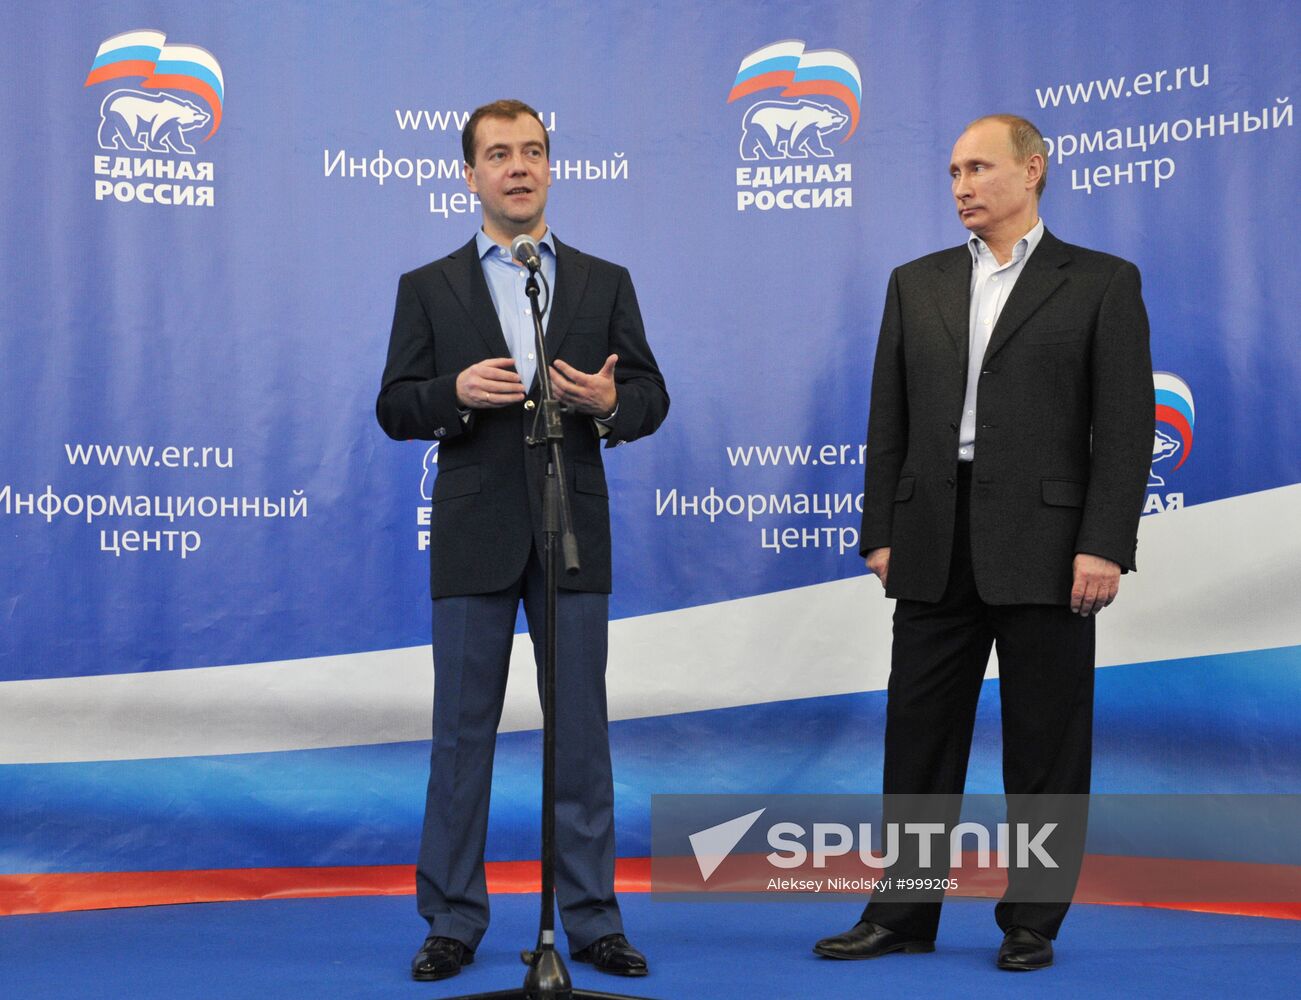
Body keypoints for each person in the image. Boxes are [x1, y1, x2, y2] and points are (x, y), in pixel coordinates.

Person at [814, 114, 1153, 971]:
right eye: (953, 170)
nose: (961, 185)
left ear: (1032, 170)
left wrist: (1103, 543)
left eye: (979, 168)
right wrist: (880, 530)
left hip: (1048, 543)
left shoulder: (1102, 282)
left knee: (1045, 741)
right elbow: (885, 417)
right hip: (930, 537)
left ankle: (1031, 921)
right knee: (917, 735)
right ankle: (900, 915)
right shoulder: (914, 281)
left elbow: (1122, 428)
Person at [377, 99, 668, 983]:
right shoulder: (427, 288)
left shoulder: (599, 280)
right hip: (472, 535)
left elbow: (649, 395)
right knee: (460, 737)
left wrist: (605, 403)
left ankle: (589, 919)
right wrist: (453, 391)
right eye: (498, 154)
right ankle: (453, 918)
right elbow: (394, 406)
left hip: (571, 533)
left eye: (532, 152)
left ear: (549, 168)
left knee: (580, 736)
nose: (518, 166)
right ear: (468, 175)